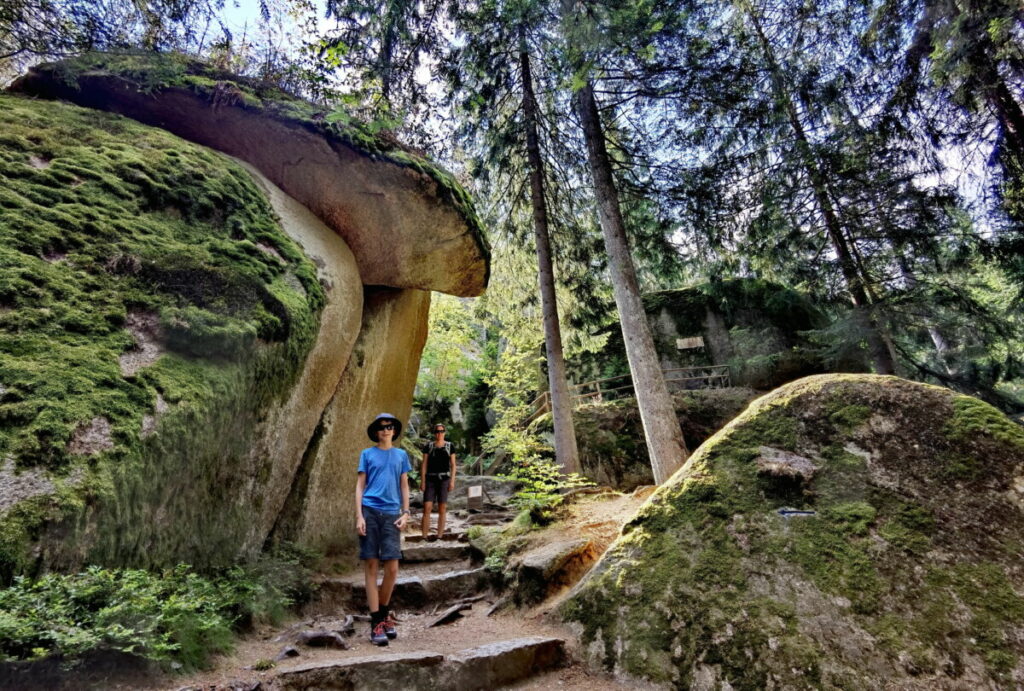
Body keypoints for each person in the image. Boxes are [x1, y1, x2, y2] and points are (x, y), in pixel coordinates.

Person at [356, 412, 411, 646]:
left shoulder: (401, 455)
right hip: (369, 511)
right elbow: (359, 486)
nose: (386, 430)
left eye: (389, 426)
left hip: (391, 514)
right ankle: (376, 622)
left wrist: (406, 512)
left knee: (392, 568)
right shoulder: (367, 454)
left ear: (394, 431)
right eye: (382, 427)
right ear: (376, 432)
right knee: (371, 565)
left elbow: (405, 485)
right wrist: (359, 516)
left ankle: (384, 614)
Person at [420, 423, 456, 541]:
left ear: (444, 432)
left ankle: (439, 536)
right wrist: (423, 481)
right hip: (430, 479)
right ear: (434, 433)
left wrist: (452, 481)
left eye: (441, 431)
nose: (439, 433)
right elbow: (424, 464)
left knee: (442, 508)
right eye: (437, 431)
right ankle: (424, 536)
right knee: (427, 507)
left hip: (444, 480)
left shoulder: (450, 446)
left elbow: (453, 465)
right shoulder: (428, 446)